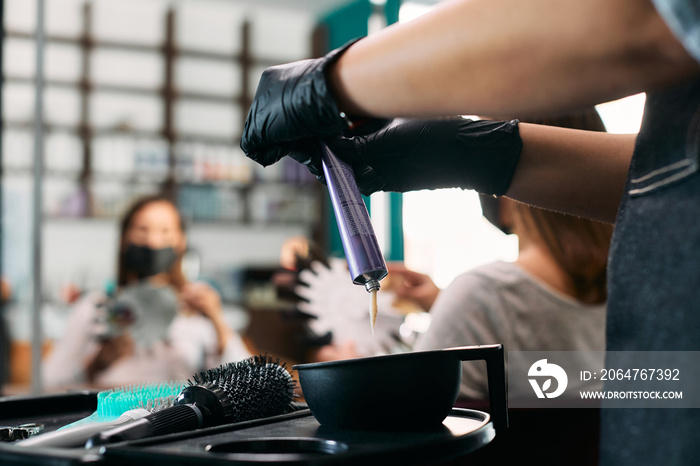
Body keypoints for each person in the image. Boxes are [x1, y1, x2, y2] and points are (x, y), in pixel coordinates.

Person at [240, 1, 700, 463]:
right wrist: (482, 154)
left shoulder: (482, 295)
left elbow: (645, 24)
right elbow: (671, 178)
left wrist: (333, 83)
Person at [43, 196, 249, 388]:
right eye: (142, 229)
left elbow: (246, 380)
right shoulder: (97, 307)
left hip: (178, 418)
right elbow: (51, 379)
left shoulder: (196, 308)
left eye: (165, 231)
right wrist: (97, 364)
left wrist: (217, 320)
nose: (153, 242)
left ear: (181, 241)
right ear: (124, 238)